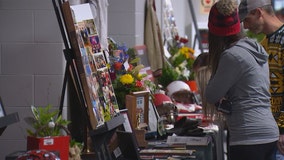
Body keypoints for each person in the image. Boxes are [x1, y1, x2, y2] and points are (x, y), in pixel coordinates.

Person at [205, 0, 279, 160]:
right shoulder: (256, 49)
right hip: (270, 133)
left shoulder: (232, 56)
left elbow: (211, 94)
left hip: (248, 137)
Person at [238, 0, 284, 157]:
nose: (245, 26)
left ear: (258, 13)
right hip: (270, 133)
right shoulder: (263, 44)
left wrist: (283, 129)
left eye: (246, 19)